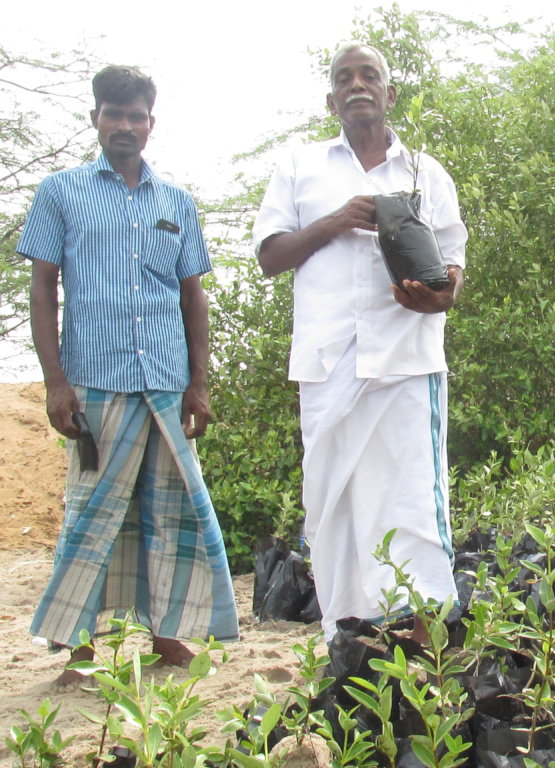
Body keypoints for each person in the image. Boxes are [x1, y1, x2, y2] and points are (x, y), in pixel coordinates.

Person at [17, 65, 238, 690]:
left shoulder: (176, 203)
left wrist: (200, 383)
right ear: (96, 119)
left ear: (150, 123)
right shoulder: (61, 192)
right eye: (113, 114)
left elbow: (192, 296)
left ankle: (167, 637)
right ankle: (80, 648)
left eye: (135, 115)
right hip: (96, 382)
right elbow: (43, 289)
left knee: (173, 513)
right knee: (92, 514)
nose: (124, 125)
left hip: (166, 383)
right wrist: (55, 384)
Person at [253, 43, 467, 644]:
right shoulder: (300, 168)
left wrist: (437, 295)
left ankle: (427, 642)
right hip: (327, 367)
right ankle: (346, 639)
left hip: (405, 363)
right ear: (330, 100)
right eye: (344, 78)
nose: (357, 85)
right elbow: (271, 255)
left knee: (412, 506)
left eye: (369, 75)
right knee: (333, 507)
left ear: (389, 93)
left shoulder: (426, 172)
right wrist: (337, 220)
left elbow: (453, 266)